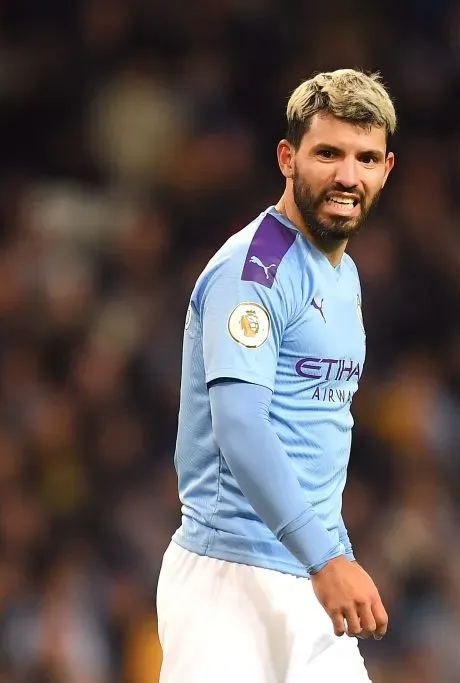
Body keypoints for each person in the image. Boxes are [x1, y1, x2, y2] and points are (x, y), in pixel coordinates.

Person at [157, 69, 397, 682]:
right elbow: (240, 427)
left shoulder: (343, 276)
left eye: (366, 158)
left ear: (387, 168)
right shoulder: (254, 270)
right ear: (288, 158)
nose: (348, 176)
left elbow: (317, 433)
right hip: (228, 577)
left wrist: (332, 552)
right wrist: (326, 558)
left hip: (308, 570)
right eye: (329, 154)